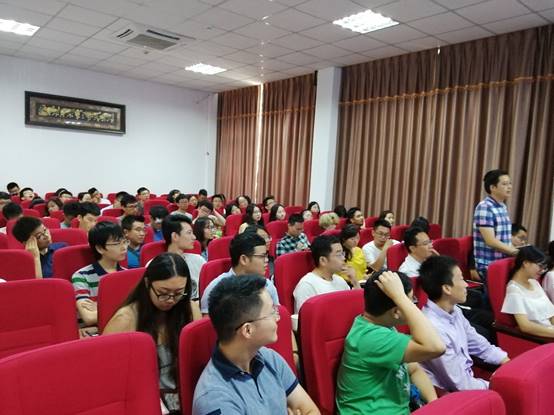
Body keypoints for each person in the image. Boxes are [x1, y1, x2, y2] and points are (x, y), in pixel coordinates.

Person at [192, 275, 319, 415]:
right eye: (271, 312)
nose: (277, 317)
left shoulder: (270, 359)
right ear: (248, 330)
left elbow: (310, 410)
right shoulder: (214, 399)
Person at [336, 271, 444, 414]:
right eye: (411, 301)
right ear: (396, 312)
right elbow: (436, 347)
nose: (413, 305)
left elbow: (413, 369)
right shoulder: (372, 338)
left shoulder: (381, 325)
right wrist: (400, 297)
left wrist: (434, 404)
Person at [104, 253, 201, 413]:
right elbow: (110, 377)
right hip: (146, 401)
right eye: (163, 292)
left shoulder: (190, 310)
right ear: (147, 283)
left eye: (178, 293)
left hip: (186, 396)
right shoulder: (125, 320)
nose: (171, 299)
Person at [419, 256, 509, 391]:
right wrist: (494, 386)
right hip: (449, 394)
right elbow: (460, 385)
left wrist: (505, 360)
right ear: (447, 288)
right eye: (461, 279)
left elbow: (477, 343)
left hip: (467, 380)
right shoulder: (433, 328)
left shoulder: (454, 310)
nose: (466, 284)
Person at [200, 232, 280, 314]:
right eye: (262, 256)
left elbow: (277, 315)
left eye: (266, 256)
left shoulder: (267, 285)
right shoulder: (216, 289)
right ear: (244, 260)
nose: (267, 260)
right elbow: (208, 321)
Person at [71, 221, 127, 326]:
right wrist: (125, 308)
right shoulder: (81, 276)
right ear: (100, 248)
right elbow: (89, 318)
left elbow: (141, 310)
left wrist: (99, 307)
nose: (124, 247)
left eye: (124, 242)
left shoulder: (128, 274)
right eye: (117, 243)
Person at [473, 169, 518, 282]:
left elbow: (503, 239)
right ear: (492, 187)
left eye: (510, 183)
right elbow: (491, 241)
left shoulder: (502, 206)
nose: (509, 187)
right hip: (489, 264)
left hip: (503, 261)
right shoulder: (485, 207)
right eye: (504, 184)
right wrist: (516, 252)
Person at [293, 235, 355, 314]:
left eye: (343, 253)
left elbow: (354, 307)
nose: (343, 258)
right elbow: (305, 318)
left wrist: (354, 281)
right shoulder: (307, 285)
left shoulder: (340, 280)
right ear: (323, 260)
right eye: (339, 255)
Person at [501, 246, 554, 337]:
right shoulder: (514, 289)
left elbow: (551, 315)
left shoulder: (534, 283)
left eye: (544, 268)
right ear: (525, 263)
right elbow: (525, 326)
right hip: (541, 337)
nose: (542, 271)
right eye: (540, 266)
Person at [162, 215, 206, 300]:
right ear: (175, 236)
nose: (194, 237)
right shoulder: (156, 265)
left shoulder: (198, 260)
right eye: (189, 233)